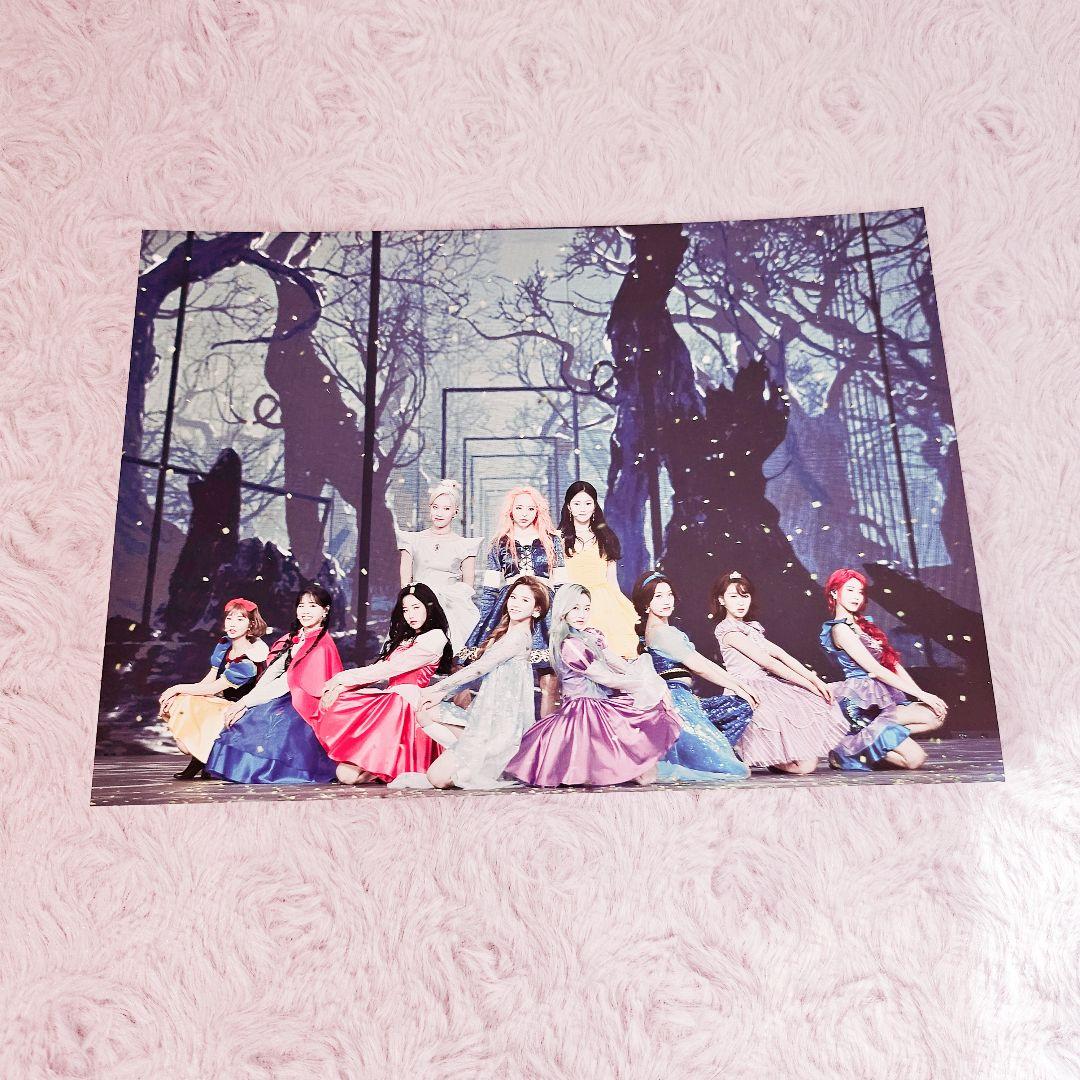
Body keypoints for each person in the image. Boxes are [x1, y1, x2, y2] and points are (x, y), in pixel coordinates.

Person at [505, 585, 681, 787]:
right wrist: (646, 685)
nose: (582, 614)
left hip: (600, 704)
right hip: (583, 710)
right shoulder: (569, 645)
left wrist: (650, 681)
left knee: (645, 772)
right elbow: (607, 678)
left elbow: (618, 664)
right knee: (629, 773)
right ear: (563, 610)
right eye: (575, 608)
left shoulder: (591, 635)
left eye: (586, 608)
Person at [389, 577, 550, 791]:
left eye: (524, 600)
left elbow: (478, 669)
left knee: (437, 778)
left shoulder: (518, 638)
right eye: (513, 597)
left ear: (536, 610)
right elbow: (478, 674)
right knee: (426, 712)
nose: (515, 604)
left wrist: (437, 689)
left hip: (500, 727)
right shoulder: (506, 634)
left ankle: (476, 761)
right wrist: (442, 693)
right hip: (483, 717)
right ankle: (469, 755)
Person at [314, 584, 453, 784]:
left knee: (349, 777)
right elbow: (379, 670)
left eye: (416, 607)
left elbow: (390, 668)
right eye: (405, 610)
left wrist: (340, 678)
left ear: (429, 607)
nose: (410, 615)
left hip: (407, 704)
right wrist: (341, 687)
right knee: (346, 775)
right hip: (390, 702)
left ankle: (395, 767)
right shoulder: (406, 638)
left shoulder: (435, 637)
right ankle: (388, 767)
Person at [712, 571, 848, 775]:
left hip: (766, 685)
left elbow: (781, 655)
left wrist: (815, 680)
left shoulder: (750, 628)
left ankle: (767, 758)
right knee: (803, 767)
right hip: (746, 692)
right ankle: (744, 756)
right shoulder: (727, 631)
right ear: (721, 600)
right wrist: (809, 685)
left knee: (808, 763)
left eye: (745, 596)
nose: (740, 602)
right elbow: (768, 662)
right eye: (733, 596)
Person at [204, 584, 341, 784]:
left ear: (325, 611)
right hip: (289, 695)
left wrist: (245, 703)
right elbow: (274, 671)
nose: (305, 611)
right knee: (250, 716)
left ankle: (262, 772)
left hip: (305, 705)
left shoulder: (321, 645)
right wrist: (247, 701)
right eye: (301, 606)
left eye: (312, 606)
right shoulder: (299, 637)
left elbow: (287, 682)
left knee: (268, 722)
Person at [632, 571, 757, 780]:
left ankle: (717, 751)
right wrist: (739, 687)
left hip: (688, 700)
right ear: (646, 604)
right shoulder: (661, 632)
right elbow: (700, 667)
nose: (666, 601)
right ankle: (712, 756)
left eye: (669, 594)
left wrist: (739, 686)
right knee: (733, 768)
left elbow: (704, 662)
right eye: (658, 596)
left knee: (741, 706)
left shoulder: (664, 630)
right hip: (678, 704)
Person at [820, 568, 945, 771]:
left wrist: (920, 695)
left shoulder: (864, 625)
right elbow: (875, 669)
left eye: (860, 592)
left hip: (881, 698)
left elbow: (892, 663)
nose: (856, 597)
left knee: (934, 716)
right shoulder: (840, 629)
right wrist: (923, 695)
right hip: (861, 704)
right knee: (915, 759)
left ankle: (862, 742)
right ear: (834, 592)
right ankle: (843, 751)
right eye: (850, 590)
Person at [460, 485, 566, 716]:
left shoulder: (552, 540)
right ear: (510, 510)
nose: (524, 513)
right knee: (495, 670)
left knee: (549, 678)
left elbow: (561, 583)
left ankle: (545, 732)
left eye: (530, 508)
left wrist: (561, 614)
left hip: (544, 608)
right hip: (509, 606)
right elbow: (490, 588)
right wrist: (485, 620)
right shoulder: (500, 543)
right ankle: (495, 725)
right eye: (519, 508)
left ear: (538, 511)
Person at [159, 597, 269, 780]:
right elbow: (209, 681)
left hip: (244, 709)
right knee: (187, 699)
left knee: (207, 709)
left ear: (251, 625)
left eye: (240, 619)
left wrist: (176, 688)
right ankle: (201, 759)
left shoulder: (249, 660)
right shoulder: (224, 647)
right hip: (224, 703)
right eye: (229, 618)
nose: (232, 623)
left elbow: (214, 688)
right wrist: (179, 694)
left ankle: (202, 760)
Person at [397, 479, 482, 652]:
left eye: (446, 508)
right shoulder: (412, 540)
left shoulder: (465, 545)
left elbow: (468, 586)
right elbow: (405, 583)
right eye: (435, 507)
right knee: (413, 655)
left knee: (450, 656)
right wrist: (414, 604)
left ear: (455, 512)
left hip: (451, 609)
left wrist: (449, 599)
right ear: (430, 508)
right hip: (418, 606)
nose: (439, 513)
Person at [558, 481, 639, 658]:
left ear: (595, 506)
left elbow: (612, 580)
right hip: (572, 601)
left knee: (615, 653)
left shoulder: (606, 538)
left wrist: (621, 607)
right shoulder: (559, 539)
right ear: (569, 507)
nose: (582, 509)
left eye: (588, 503)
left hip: (603, 602)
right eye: (577, 503)